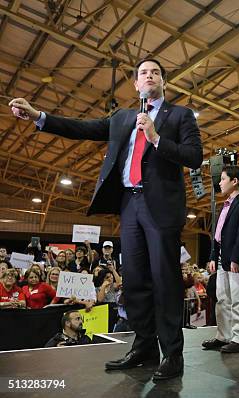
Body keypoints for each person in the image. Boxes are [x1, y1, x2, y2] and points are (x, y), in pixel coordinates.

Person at [9, 57, 203, 380]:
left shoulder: (180, 116)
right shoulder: (123, 117)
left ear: (163, 83)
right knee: (136, 281)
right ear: (136, 84)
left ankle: (173, 354)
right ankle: (144, 347)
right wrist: (39, 116)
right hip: (130, 205)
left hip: (161, 209)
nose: (150, 75)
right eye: (143, 73)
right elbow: (83, 128)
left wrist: (156, 138)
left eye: (156, 72)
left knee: (165, 280)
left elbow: (194, 156)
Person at [202, 166, 239, 354]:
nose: (220, 182)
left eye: (223, 179)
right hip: (222, 258)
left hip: (235, 260)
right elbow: (217, 235)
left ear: (235, 181)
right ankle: (223, 335)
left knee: (238, 300)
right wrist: (212, 257)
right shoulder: (224, 206)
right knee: (222, 299)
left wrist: (237, 258)